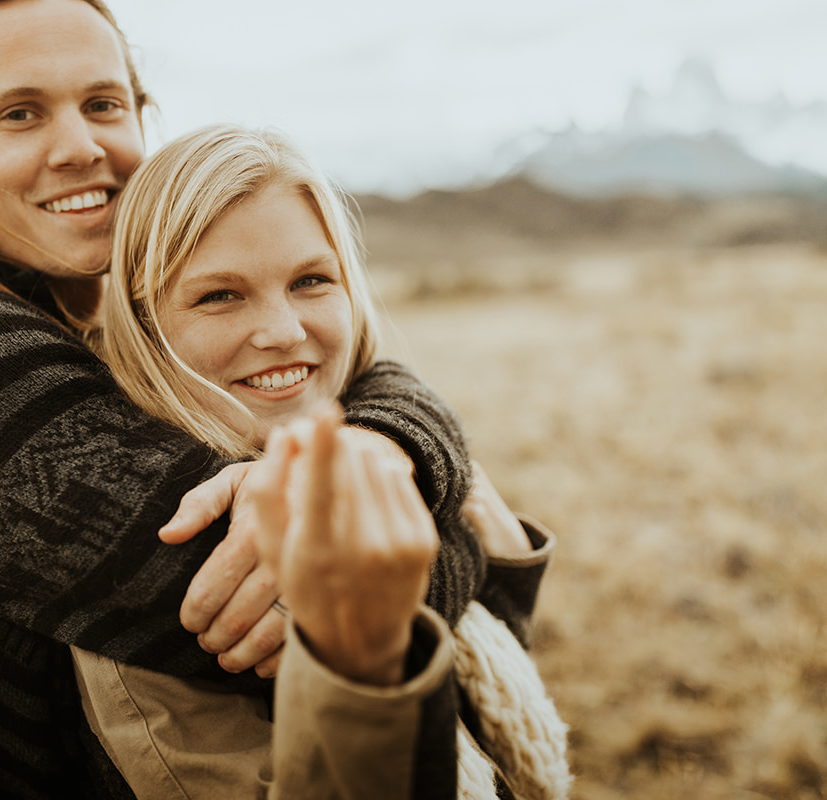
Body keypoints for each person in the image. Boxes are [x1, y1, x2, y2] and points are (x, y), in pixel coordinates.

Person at [0, 1, 487, 796]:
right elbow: (311, 613)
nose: (80, 146)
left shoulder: (86, 324)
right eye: (20, 114)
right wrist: (467, 525)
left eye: (104, 104)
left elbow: (375, 374)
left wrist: (388, 446)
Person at [81, 123, 571, 798]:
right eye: (219, 295)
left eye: (312, 280)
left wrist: (494, 569)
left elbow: (480, 730)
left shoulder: (387, 449)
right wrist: (482, 552)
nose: (284, 332)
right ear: (143, 320)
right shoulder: (170, 545)